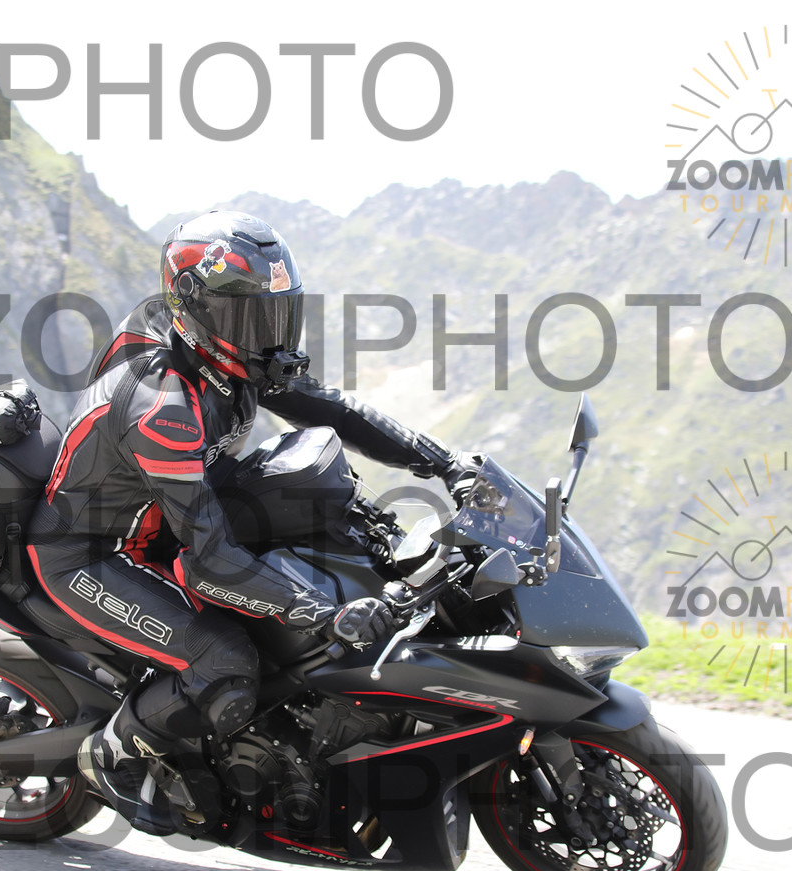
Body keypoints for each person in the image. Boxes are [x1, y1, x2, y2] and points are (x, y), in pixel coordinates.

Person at [27, 210, 473, 834]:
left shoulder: (226, 356)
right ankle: (110, 756)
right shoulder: (162, 406)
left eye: (276, 316)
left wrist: (446, 462)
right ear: (193, 313)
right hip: (91, 554)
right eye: (247, 320)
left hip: (165, 520)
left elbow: (336, 410)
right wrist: (326, 612)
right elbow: (209, 561)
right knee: (226, 659)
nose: (267, 336)